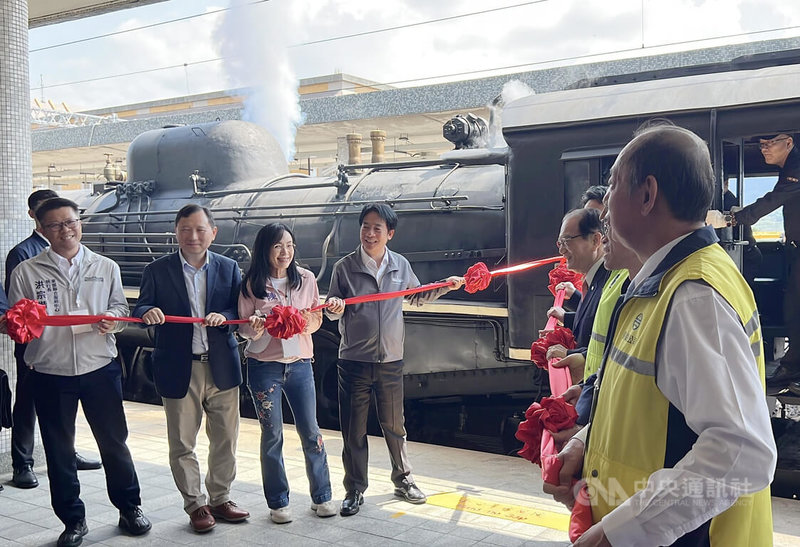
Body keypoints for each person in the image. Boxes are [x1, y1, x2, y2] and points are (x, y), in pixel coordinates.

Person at [545, 124, 776, 546]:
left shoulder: (693, 297)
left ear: (647, 195)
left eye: (613, 186)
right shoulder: (658, 283)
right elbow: (647, 405)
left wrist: (617, 533)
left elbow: (742, 452)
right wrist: (585, 441)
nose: (604, 210)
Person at [7, 197, 151, 547]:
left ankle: (129, 507)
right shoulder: (26, 272)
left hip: (99, 367)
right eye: (55, 225)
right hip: (49, 371)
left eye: (70, 222)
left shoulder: (105, 266)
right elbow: (18, 321)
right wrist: (15, 324)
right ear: (42, 229)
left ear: (80, 223)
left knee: (114, 443)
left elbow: (119, 307)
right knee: (59, 449)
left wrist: (113, 320)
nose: (65, 230)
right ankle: (73, 520)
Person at [325, 203, 464, 516]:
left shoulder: (400, 265)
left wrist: (445, 286)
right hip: (354, 361)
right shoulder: (344, 267)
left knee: (394, 426)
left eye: (377, 228)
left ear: (390, 234)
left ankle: (403, 480)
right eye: (365, 226)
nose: (369, 233)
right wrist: (334, 305)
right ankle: (354, 489)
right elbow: (334, 308)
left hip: (390, 360)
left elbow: (416, 295)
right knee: (353, 430)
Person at [132, 204, 250, 533]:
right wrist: (148, 311)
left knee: (226, 439)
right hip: (179, 365)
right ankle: (196, 504)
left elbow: (237, 308)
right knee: (183, 443)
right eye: (185, 229)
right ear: (176, 233)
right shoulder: (157, 270)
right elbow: (141, 306)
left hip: (221, 365)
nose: (193, 236)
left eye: (200, 229)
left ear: (213, 232)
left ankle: (221, 498)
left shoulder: (229, 267)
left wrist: (225, 317)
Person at [238, 223, 337, 523]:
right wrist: (256, 327)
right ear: (264, 249)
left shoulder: (306, 279)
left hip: (300, 365)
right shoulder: (251, 284)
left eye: (290, 245)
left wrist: (303, 322)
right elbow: (242, 329)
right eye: (278, 246)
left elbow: (317, 319)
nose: (285, 252)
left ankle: (322, 496)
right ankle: (278, 502)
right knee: (272, 435)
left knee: (311, 431)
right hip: (263, 367)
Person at [5, 190, 102, 490]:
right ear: (36, 217)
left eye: (67, 220)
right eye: (52, 219)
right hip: (38, 346)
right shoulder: (24, 254)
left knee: (65, 407)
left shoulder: (83, 255)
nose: (62, 227)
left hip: (76, 346)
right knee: (28, 401)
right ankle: (22, 462)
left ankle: (68, 452)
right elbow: (16, 306)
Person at [730, 133, 800, 387]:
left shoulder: (796, 167)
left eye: (770, 143)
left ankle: (791, 369)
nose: (764, 149)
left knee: (794, 310)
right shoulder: (789, 168)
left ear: (789, 142)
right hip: (794, 250)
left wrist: (734, 219)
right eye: (761, 144)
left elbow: (772, 200)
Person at [545, 208, 608, 365]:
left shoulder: (610, 283)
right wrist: (567, 315)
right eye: (560, 242)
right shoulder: (595, 280)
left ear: (595, 240)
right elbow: (596, 321)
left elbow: (611, 346)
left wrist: (569, 354)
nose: (561, 250)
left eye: (567, 240)